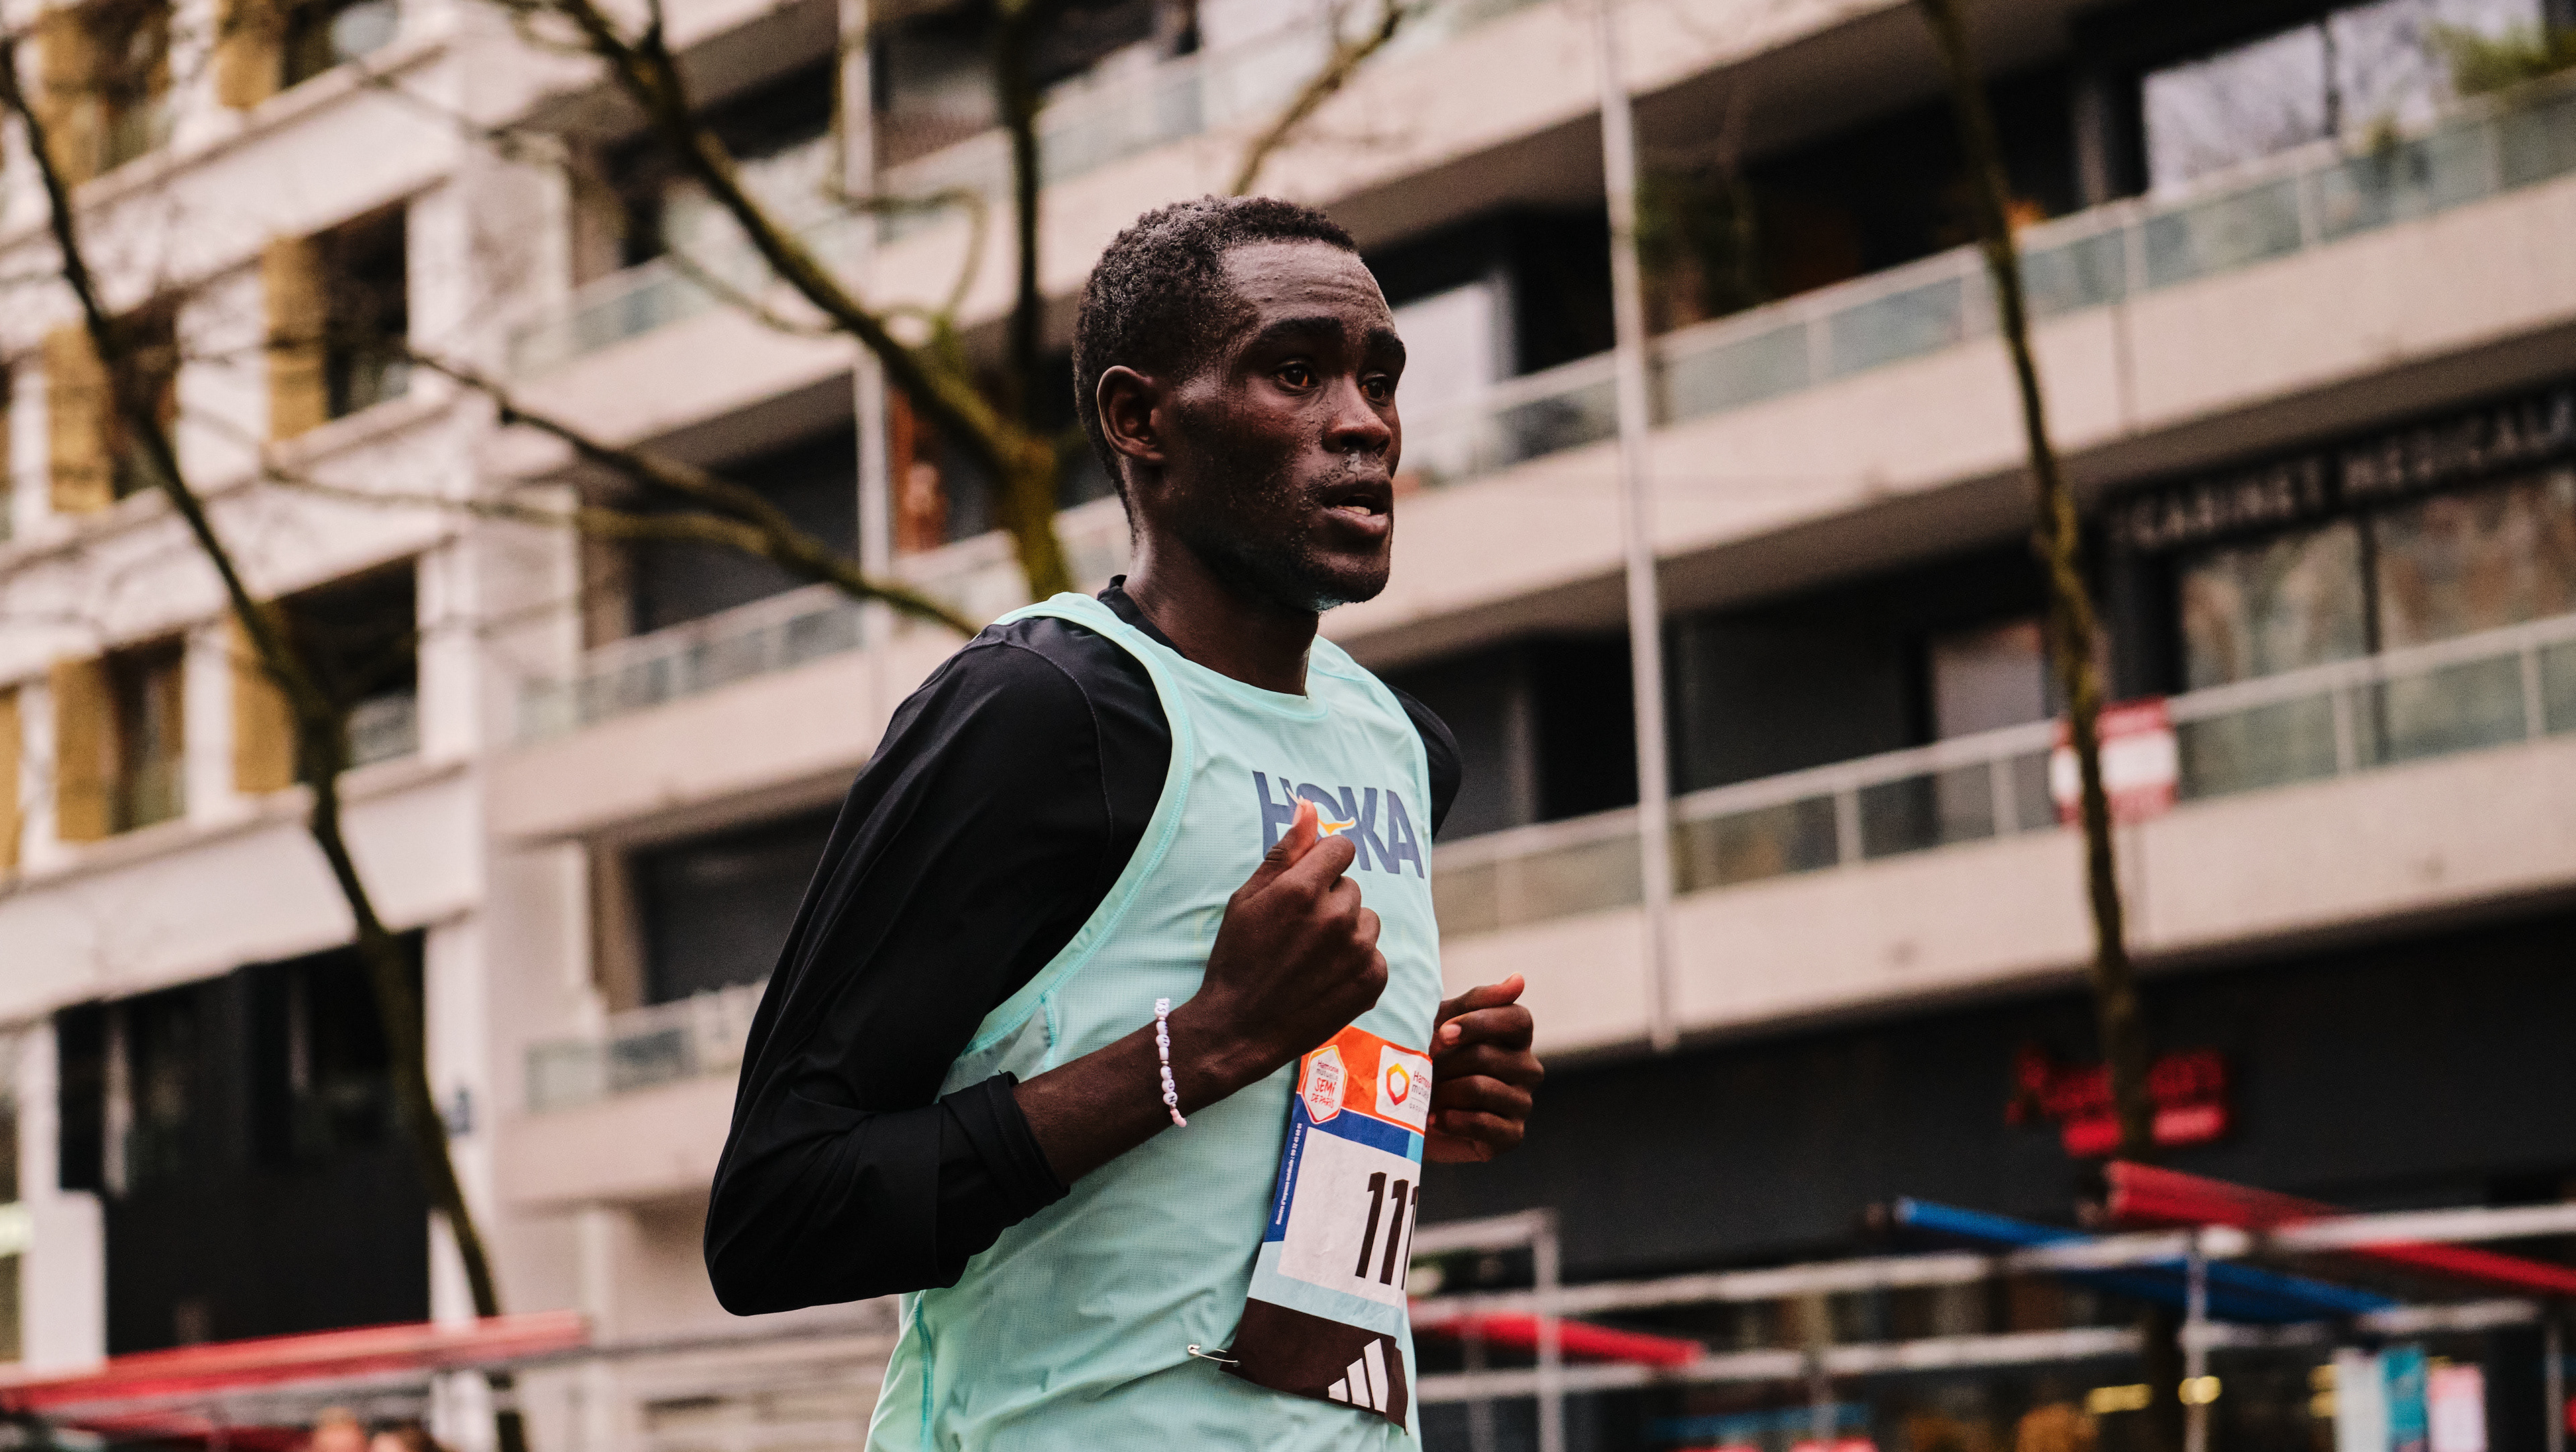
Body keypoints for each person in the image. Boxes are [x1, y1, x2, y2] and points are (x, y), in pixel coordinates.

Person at [704, 195, 1544, 1448]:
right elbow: (776, 1216)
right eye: (1296, 374)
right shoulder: (1033, 714)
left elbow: (1221, 1169)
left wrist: (1394, 1087)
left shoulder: (1402, 747)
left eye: (1379, 379)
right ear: (1139, 419)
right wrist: (1206, 1043)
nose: (1364, 421)